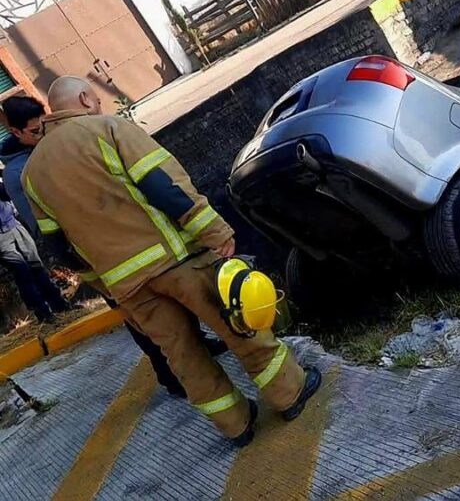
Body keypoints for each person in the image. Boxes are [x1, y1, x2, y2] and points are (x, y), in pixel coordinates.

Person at [24, 77, 320, 445]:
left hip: (130, 288)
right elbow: (164, 185)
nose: (98, 104)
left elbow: (58, 246)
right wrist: (213, 229)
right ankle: (289, 392)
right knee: (239, 327)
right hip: (178, 260)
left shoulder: (32, 174)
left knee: (183, 356)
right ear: (84, 98)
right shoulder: (105, 129)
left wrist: (105, 284)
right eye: (96, 98)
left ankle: (235, 425)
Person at [1, 95, 230, 397]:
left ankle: (198, 349)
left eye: (44, 124)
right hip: (101, 261)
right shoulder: (22, 174)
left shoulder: (54, 148)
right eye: (33, 131)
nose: (41, 132)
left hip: (121, 249)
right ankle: (170, 376)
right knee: (146, 327)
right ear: (16, 133)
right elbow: (53, 232)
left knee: (171, 318)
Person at [0, 175, 69, 323]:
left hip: (14, 225)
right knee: (23, 272)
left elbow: (5, 193)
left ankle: (59, 305)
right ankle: (43, 313)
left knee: (36, 267)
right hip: (2, 237)